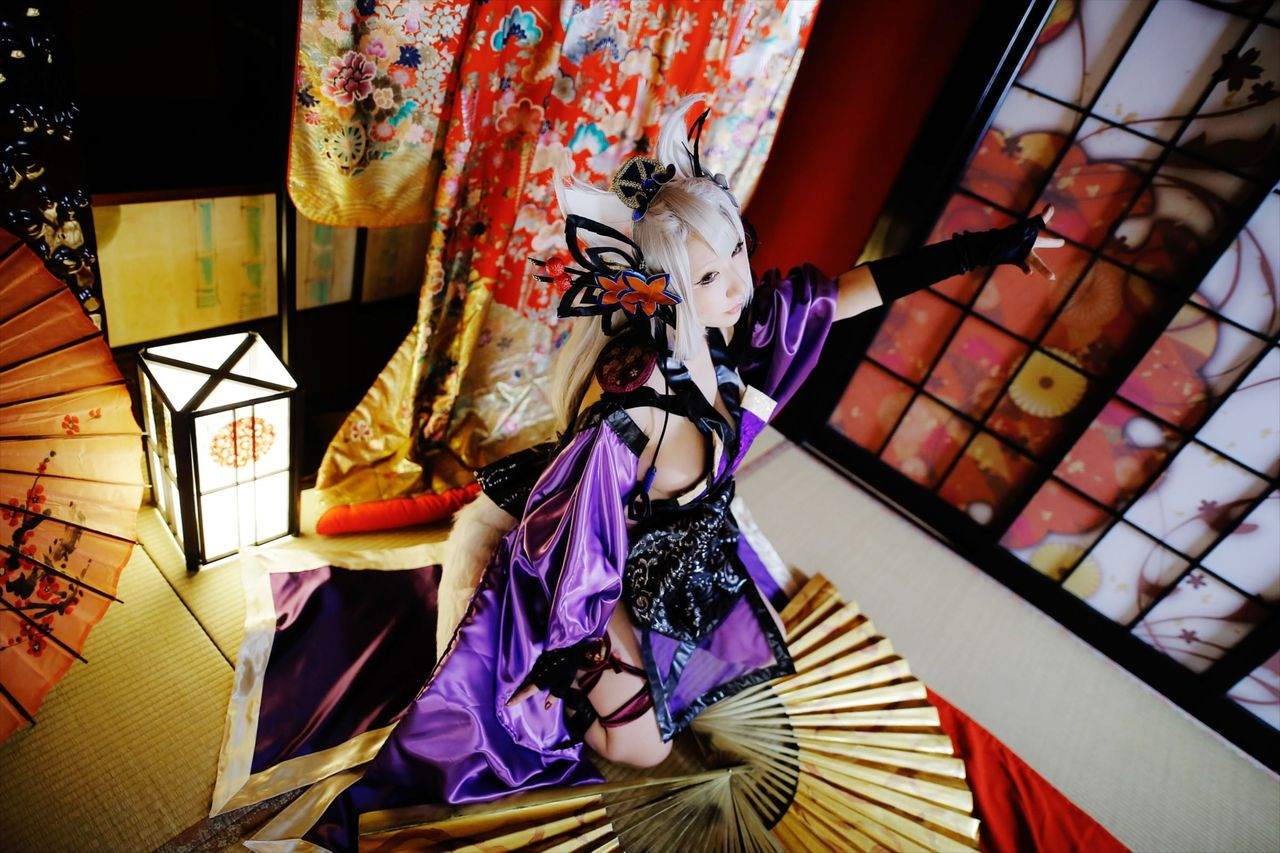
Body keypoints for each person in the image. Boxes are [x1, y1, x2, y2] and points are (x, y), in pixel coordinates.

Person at [236, 93, 1061, 851]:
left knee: (731, 681)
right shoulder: (632, 418)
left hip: (691, 556)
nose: (736, 284)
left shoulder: (738, 330)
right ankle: (574, 679)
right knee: (644, 746)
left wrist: (981, 250)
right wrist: (580, 661)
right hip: (611, 576)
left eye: (735, 250)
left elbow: (842, 294)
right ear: (662, 290)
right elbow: (565, 568)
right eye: (706, 276)